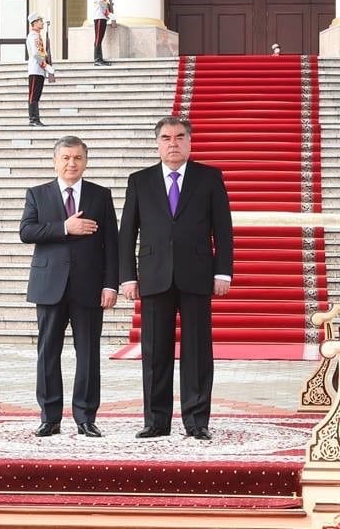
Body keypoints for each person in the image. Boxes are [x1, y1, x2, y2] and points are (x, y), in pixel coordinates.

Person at [118, 116, 234, 441]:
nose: (173, 143)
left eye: (180, 137)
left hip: (197, 276)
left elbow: (223, 230)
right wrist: (127, 277)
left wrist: (222, 271)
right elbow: (127, 232)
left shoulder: (209, 178)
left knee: (197, 352)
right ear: (158, 143)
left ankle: (197, 421)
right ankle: (156, 421)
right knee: (155, 353)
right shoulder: (139, 181)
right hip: (154, 278)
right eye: (166, 137)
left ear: (189, 141)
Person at [20, 135, 119, 438]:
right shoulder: (38, 194)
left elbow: (111, 245)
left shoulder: (100, 195)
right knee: (48, 352)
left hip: (89, 288)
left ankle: (85, 417)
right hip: (49, 286)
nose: (71, 163)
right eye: (65, 157)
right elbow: (26, 231)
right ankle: (49, 418)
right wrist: (65, 227)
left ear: (86, 161)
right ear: (55, 161)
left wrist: (110, 285)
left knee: (88, 353)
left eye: (77, 157)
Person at [26, 13, 52, 126]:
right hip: (35, 69)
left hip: (39, 70)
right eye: (40, 21)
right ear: (35, 23)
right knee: (33, 95)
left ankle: (36, 118)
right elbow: (36, 53)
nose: (42, 23)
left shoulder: (37, 35)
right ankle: (33, 119)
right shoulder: (33, 36)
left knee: (36, 95)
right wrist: (45, 65)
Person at [91, 0, 112, 67]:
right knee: (98, 38)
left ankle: (100, 59)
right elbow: (100, 0)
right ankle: (97, 59)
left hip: (101, 14)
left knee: (100, 37)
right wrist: (106, 12)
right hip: (99, 14)